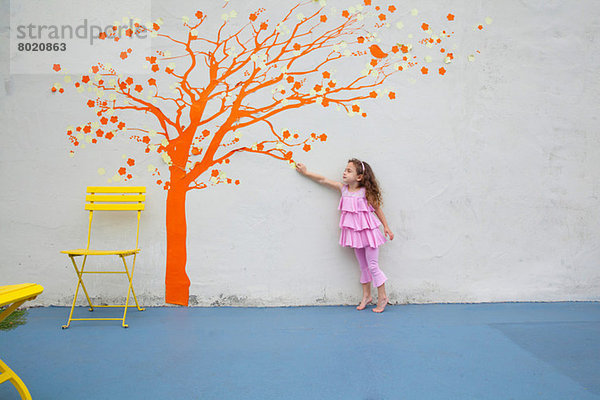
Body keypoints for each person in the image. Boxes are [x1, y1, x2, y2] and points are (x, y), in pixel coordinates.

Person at [296, 159, 394, 313]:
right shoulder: (344, 189)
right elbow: (323, 180)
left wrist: (386, 227)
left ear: (359, 177)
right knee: (363, 266)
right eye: (345, 170)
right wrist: (306, 172)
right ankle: (367, 296)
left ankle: (382, 297)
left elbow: (377, 209)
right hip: (356, 235)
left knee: (373, 266)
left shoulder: (365, 193)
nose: (344, 172)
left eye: (349, 171)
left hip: (369, 234)